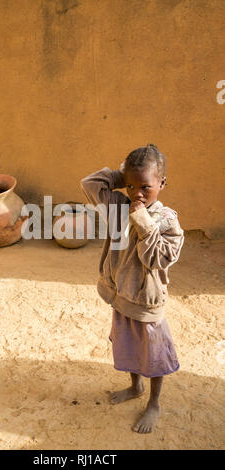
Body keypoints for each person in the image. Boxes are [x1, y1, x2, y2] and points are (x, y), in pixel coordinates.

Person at [80, 143, 184, 433]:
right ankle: (135, 386)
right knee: (128, 345)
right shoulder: (118, 207)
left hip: (146, 302)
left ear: (162, 183)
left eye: (146, 187)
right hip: (121, 296)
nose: (137, 193)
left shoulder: (167, 221)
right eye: (130, 186)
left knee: (153, 354)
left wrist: (142, 220)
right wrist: (120, 174)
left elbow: (156, 258)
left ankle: (154, 403)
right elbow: (89, 185)